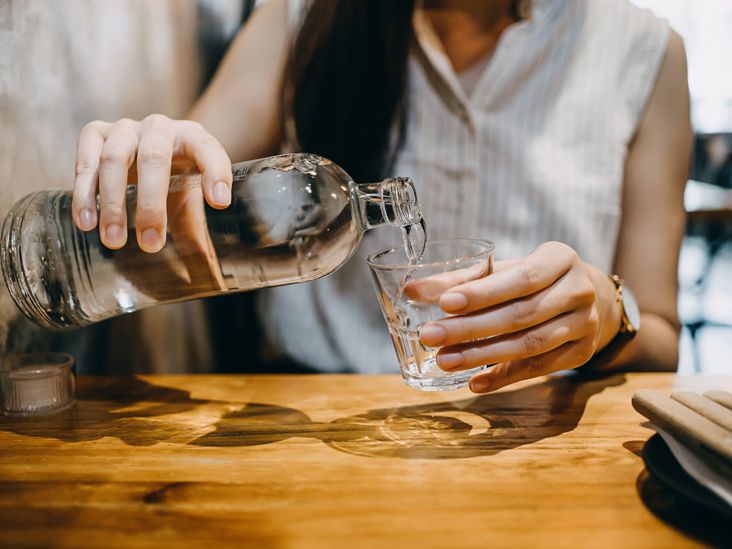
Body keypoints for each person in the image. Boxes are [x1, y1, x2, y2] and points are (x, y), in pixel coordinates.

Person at [70, 0, 692, 392]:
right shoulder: (301, 15)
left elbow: (661, 337)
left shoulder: (642, 50)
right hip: (317, 420)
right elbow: (193, 176)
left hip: (533, 427)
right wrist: (154, 156)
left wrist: (609, 314)